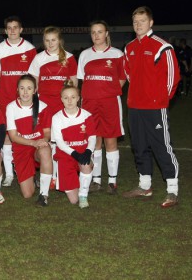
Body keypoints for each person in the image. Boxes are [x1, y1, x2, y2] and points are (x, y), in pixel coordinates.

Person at [122, 6, 181, 208]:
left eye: (142, 21)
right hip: (134, 107)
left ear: (151, 23)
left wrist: (159, 100)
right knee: (139, 146)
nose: (138, 25)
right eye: (135, 22)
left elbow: (173, 78)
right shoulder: (129, 47)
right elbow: (128, 74)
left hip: (154, 108)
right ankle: (144, 186)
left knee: (161, 147)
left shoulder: (162, 47)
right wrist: (137, 95)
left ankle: (172, 189)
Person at [77, 21, 126, 195]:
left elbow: (122, 78)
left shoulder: (117, 54)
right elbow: (82, 79)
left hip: (109, 103)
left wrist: (109, 91)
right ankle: (96, 180)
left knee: (110, 140)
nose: (96, 35)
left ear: (106, 33)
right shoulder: (84, 54)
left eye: (100, 32)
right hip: (89, 103)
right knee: (94, 141)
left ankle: (112, 181)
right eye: (93, 32)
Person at [28, 26, 77, 191]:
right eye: (47, 40)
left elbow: (73, 84)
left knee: (61, 139)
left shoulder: (69, 57)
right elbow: (33, 84)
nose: (50, 43)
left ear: (60, 40)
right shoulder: (38, 58)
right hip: (44, 105)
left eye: (53, 40)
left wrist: (71, 103)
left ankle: (60, 175)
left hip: (62, 105)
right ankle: (48, 175)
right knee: (46, 139)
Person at [0, 16, 37, 187]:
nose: (12, 30)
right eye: (9, 28)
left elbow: (34, 76)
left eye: (15, 27)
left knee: (27, 132)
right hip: (5, 99)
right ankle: (9, 174)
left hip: (25, 99)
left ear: (21, 29)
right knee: (6, 136)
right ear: (5, 31)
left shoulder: (30, 49)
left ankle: (27, 170)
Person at [5, 75, 53, 206]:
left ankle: (44, 194)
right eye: (22, 88)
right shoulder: (11, 107)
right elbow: (13, 136)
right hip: (22, 147)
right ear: (17, 90)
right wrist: (33, 142)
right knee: (27, 194)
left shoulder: (43, 107)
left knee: (45, 151)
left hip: (38, 147)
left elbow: (47, 132)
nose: (25, 92)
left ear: (35, 90)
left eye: (29, 88)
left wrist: (44, 140)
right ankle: (35, 178)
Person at [51, 83, 95, 208]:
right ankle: (77, 183)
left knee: (85, 164)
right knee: (73, 201)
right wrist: (74, 154)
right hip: (66, 155)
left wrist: (87, 151)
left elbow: (92, 137)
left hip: (82, 152)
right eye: (66, 98)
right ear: (61, 99)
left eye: (73, 97)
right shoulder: (56, 117)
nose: (69, 100)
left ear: (79, 98)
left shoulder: (87, 115)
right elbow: (59, 142)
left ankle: (83, 195)